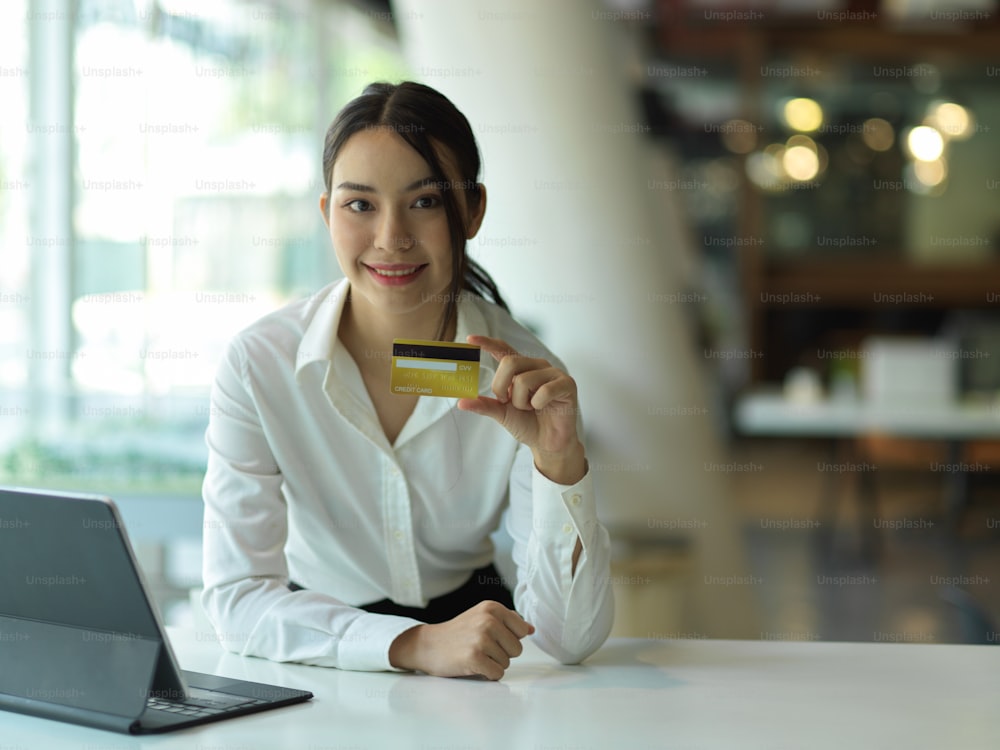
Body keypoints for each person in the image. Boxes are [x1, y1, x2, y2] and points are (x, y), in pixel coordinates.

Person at [201, 81, 614, 681]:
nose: (390, 238)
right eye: (360, 205)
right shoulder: (259, 365)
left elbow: (569, 641)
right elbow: (237, 600)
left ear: (471, 210)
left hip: (477, 648)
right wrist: (413, 644)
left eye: (423, 202)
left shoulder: (523, 377)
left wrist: (560, 463)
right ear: (327, 213)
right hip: (310, 646)